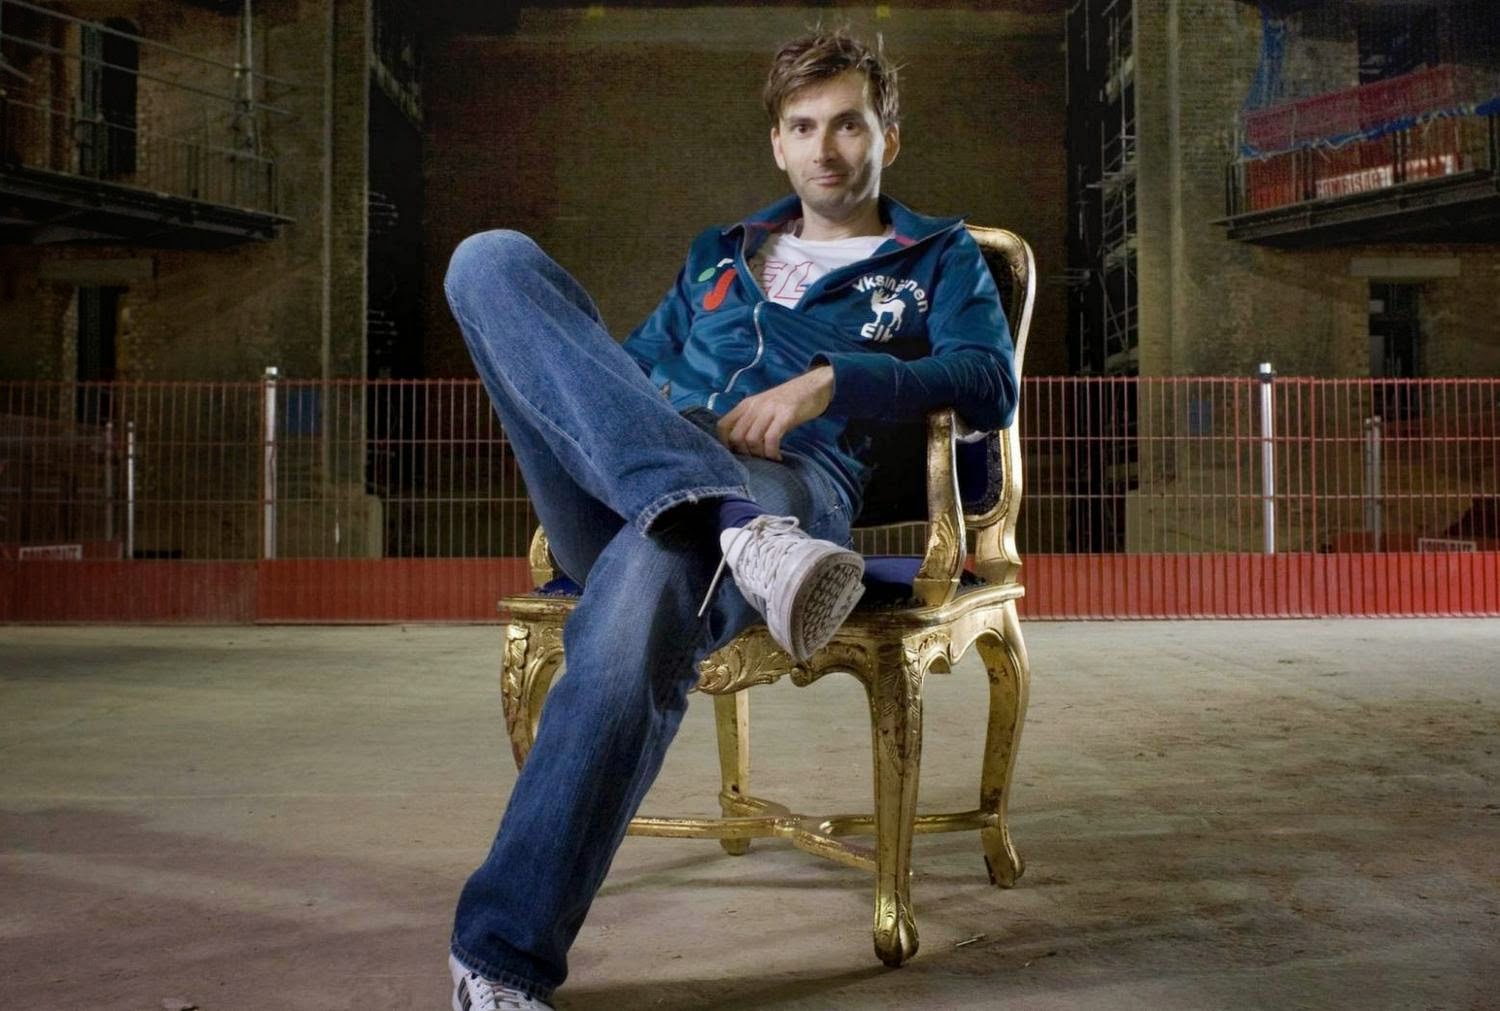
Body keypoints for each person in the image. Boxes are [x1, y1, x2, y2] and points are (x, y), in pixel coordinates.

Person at [441, 27, 1017, 1011]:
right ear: (777, 144)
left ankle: (498, 960)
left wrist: (830, 381)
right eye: (804, 126)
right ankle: (726, 523)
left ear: (888, 136)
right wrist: (637, 419)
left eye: (849, 124)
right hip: (638, 481)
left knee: (653, 586)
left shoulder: (936, 257)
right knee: (487, 260)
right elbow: (620, 368)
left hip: (796, 480)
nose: (827, 146)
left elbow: (987, 380)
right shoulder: (720, 255)